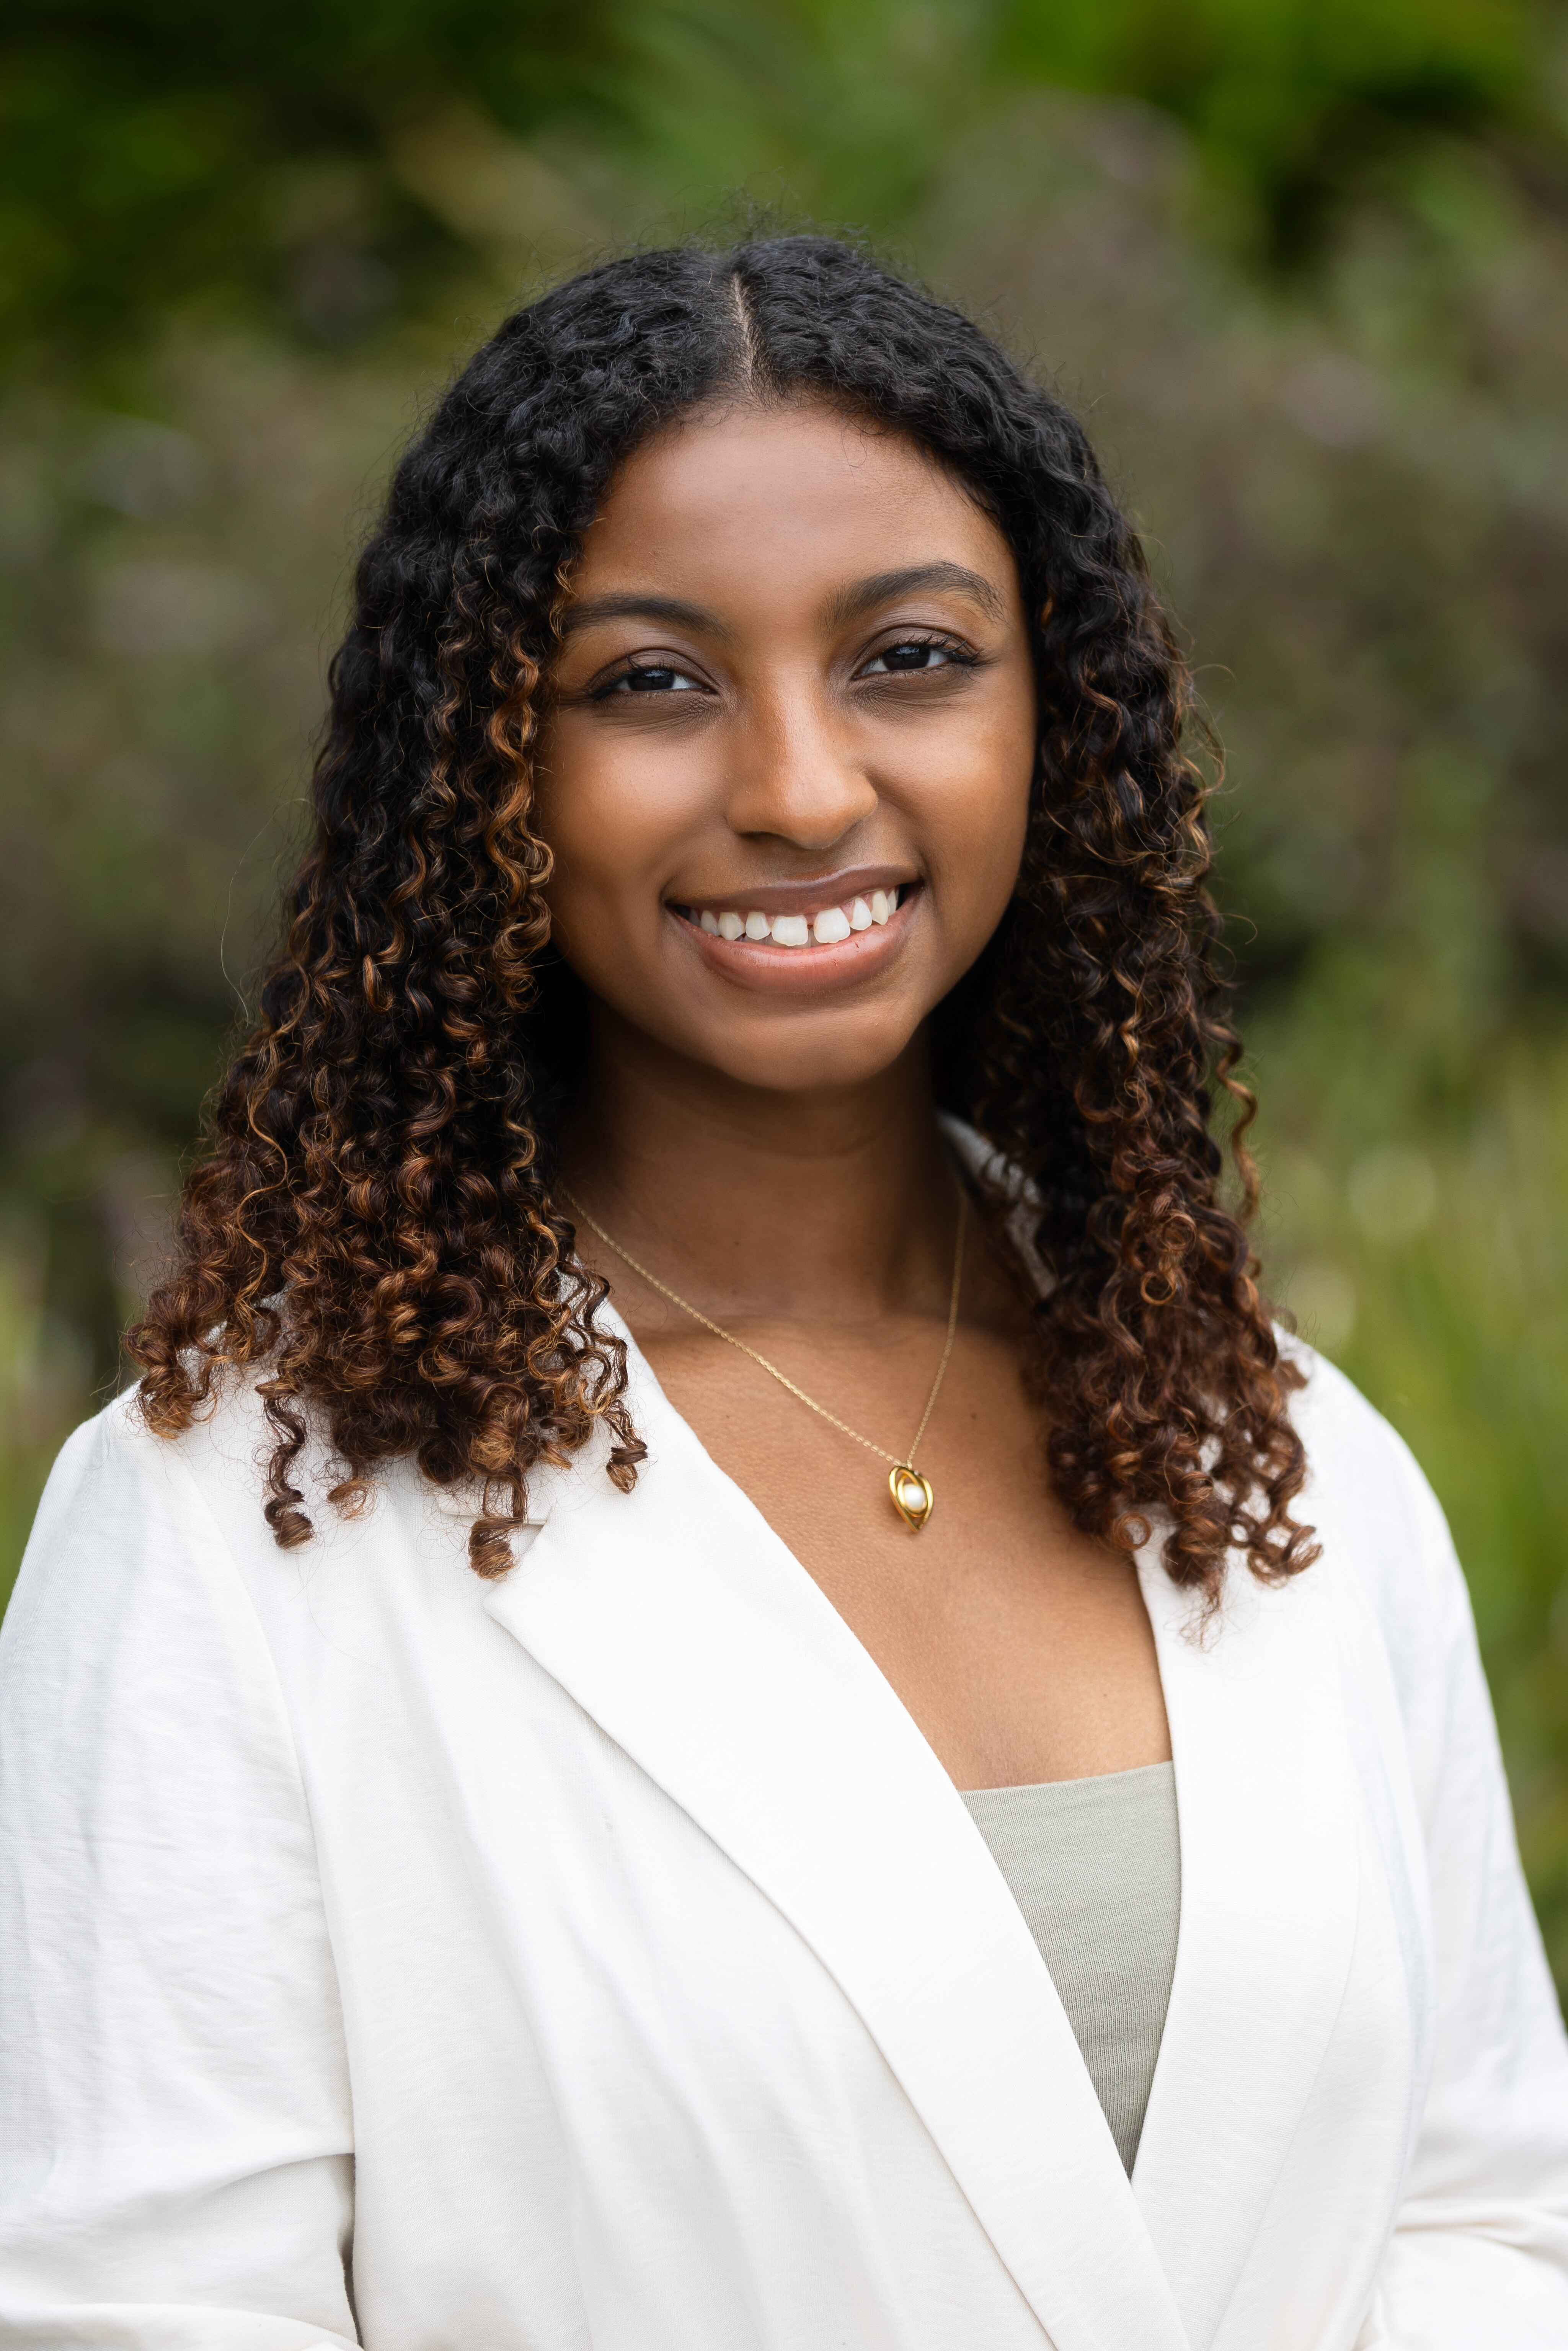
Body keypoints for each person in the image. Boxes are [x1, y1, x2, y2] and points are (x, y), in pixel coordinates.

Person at [1, 235, 1565, 2351]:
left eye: (908, 658)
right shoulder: (233, 1530)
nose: (803, 788)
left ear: (1057, 716)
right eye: (650, 681)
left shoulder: (1280, 1458)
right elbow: (140, 2315)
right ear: (483, 769)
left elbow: (1482, 2221)